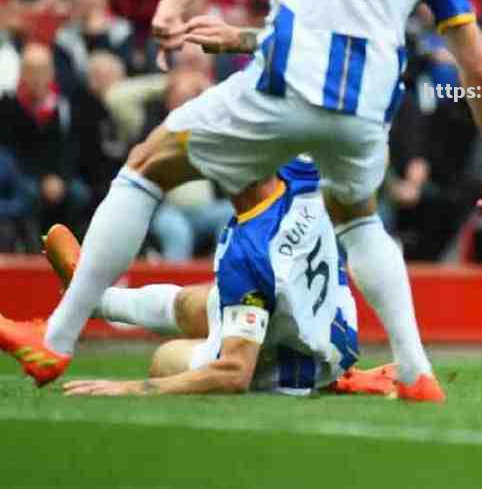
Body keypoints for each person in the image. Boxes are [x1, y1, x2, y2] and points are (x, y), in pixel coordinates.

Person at [0, 0, 482, 404]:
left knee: (148, 164)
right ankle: (415, 371)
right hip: (365, 117)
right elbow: (479, 65)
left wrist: (173, 4)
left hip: (283, 90)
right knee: (359, 219)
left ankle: (57, 338)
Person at [41, 159, 390, 397]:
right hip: (333, 318)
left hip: (295, 359)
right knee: (192, 303)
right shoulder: (300, 171)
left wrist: (129, 388)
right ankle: (94, 300)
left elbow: (235, 372)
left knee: (165, 360)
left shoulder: (250, 252)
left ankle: (86, 297)